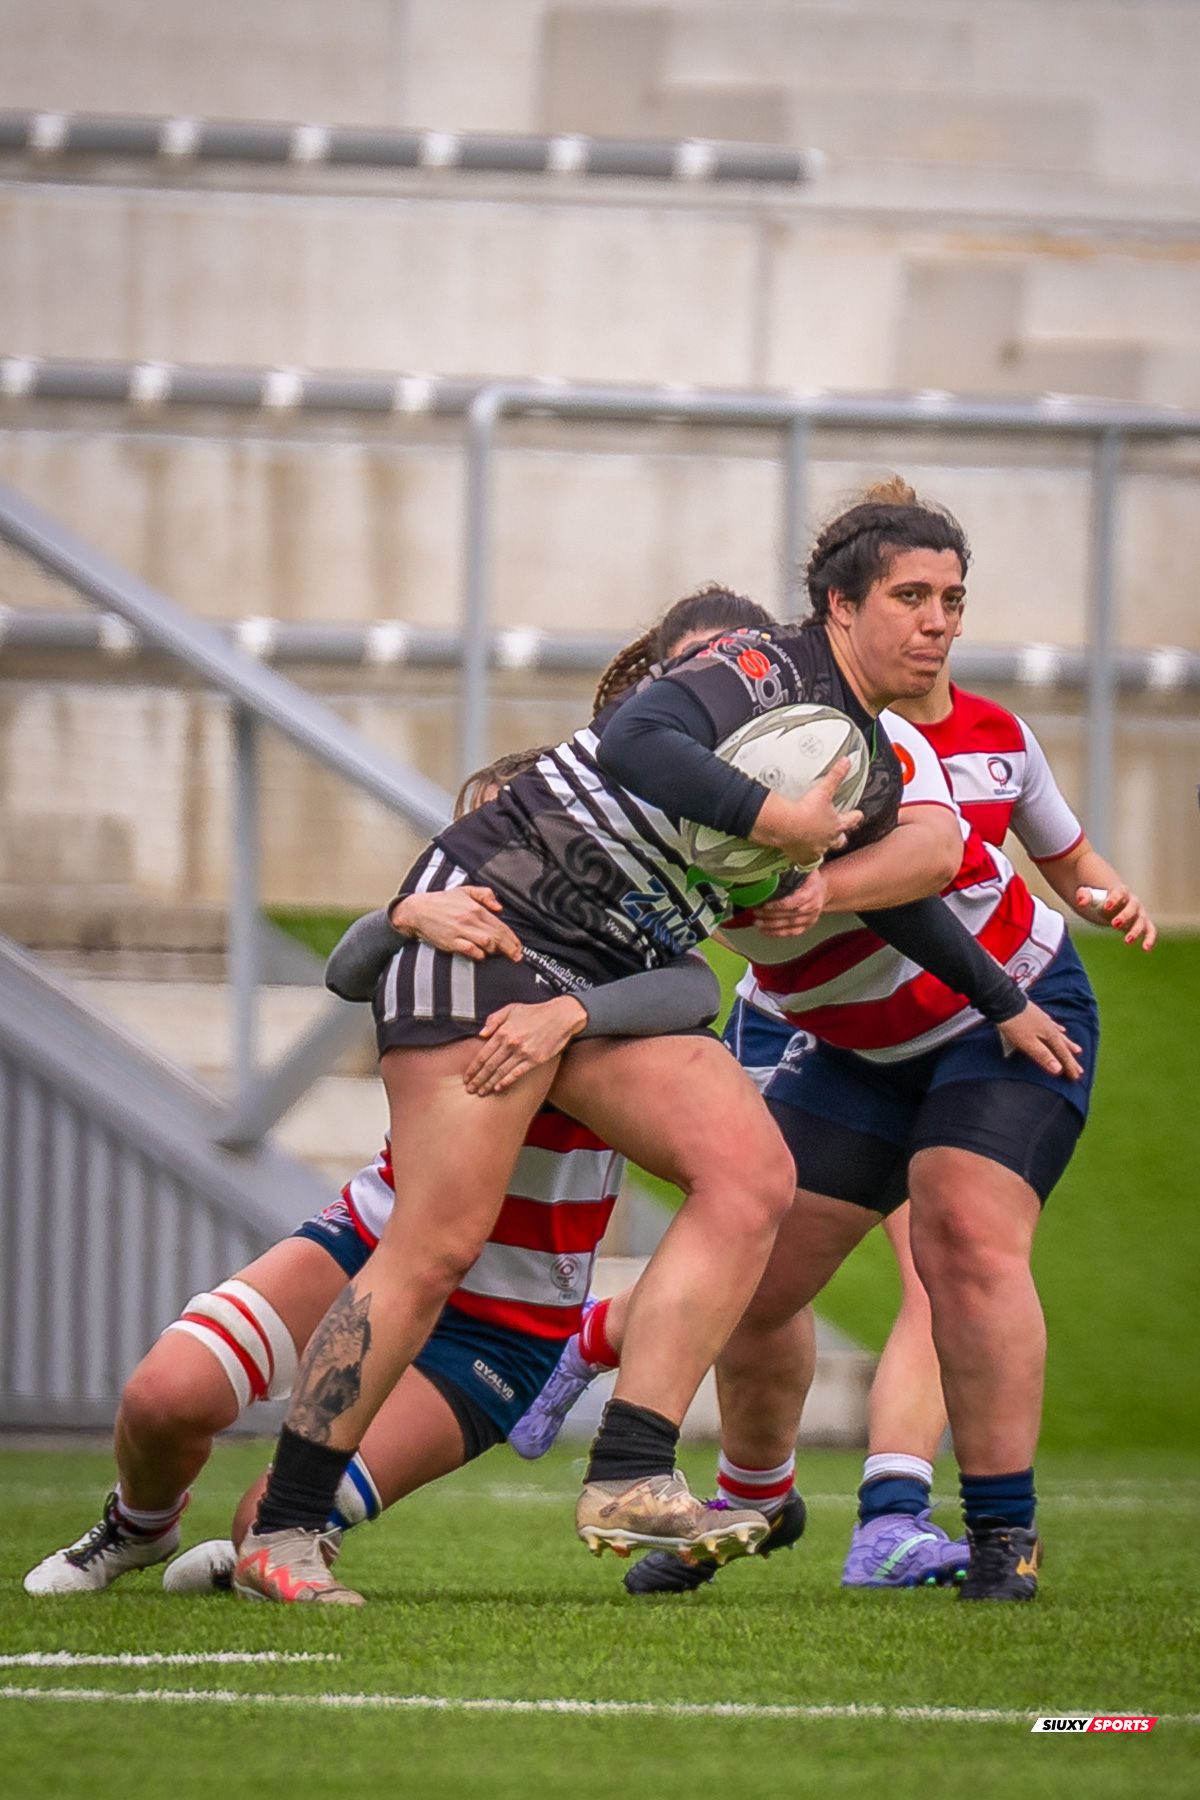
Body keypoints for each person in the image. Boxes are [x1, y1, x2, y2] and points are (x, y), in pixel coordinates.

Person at [236, 562, 1079, 1607]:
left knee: (753, 1172)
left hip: (582, 1005)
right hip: (485, 970)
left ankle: (631, 1470)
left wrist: (1000, 997)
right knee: (434, 1244)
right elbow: (413, 913)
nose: (714, 687)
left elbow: (876, 889)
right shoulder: (645, 746)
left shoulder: (804, 754)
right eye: (694, 673)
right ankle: (284, 1526)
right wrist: (406, 914)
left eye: (731, 668)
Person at [24, 752, 722, 1598]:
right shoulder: (450, 932)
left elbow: (695, 992)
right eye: (479, 839)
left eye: (521, 839)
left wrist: (571, 1014)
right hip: (377, 1243)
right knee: (163, 1399)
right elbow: (346, 970)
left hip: (504, 1323)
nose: (498, 865)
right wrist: (402, 914)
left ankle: (262, 1546)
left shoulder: (630, 965)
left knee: (262, 1521)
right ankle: (138, 1527)